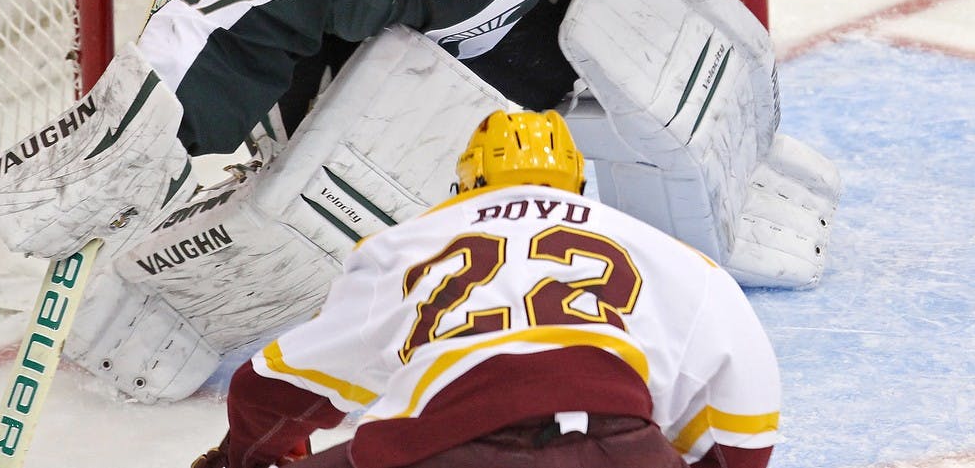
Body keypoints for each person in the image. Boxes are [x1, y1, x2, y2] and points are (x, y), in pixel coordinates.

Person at [0, 0, 937, 403]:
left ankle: (725, 170)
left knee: (624, 18)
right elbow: (223, 29)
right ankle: (170, 299)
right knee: (348, 188)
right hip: (321, 6)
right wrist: (144, 133)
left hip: (491, 13)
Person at [190, 110, 782, 468]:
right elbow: (745, 414)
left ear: (466, 185)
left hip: (445, 448)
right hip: (619, 449)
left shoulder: (411, 243)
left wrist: (247, 457)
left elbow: (271, 388)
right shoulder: (668, 255)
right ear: (578, 184)